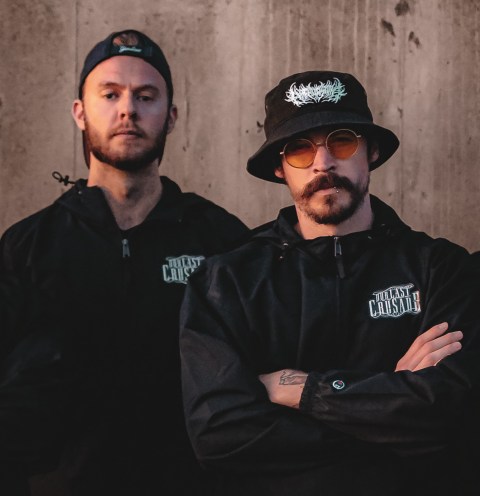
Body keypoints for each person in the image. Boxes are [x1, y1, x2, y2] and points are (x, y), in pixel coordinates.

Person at [179, 71, 480, 496]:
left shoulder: (439, 269)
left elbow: (451, 413)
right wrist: (388, 408)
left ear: (371, 151)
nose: (322, 163)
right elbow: (220, 435)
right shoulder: (228, 281)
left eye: (341, 141)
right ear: (280, 168)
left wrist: (302, 391)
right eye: (300, 149)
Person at [0, 29, 248, 495]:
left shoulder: (220, 238)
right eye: (110, 94)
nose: (128, 110)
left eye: (146, 96)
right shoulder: (29, 246)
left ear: (171, 116)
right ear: (80, 112)